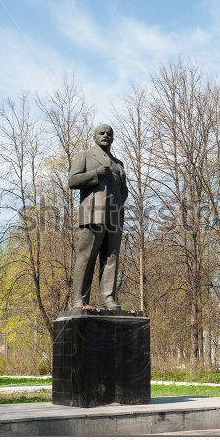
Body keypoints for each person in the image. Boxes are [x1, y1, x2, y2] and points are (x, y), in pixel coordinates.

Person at [68, 124, 128, 309]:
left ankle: (107, 298)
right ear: (95, 137)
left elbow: (124, 191)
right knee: (86, 255)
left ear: (113, 138)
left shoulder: (119, 164)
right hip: (92, 214)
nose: (105, 136)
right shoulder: (84, 156)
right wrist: (95, 174)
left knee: (111, 257)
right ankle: (79, 300)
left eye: (109, 133)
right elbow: (72, 180)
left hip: (114, 217)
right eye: (101, 133)